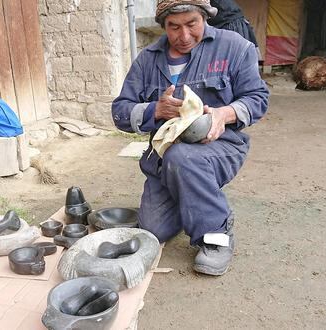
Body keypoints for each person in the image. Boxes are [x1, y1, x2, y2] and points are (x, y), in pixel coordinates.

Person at [111, 0, 269, 275]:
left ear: (205, 17)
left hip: (221, 147)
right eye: (174, 27)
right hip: (163, 158)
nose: (184, 36)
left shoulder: (233, 47)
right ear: (163, 25)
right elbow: (120, 111)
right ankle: (192, 200)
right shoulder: (148, 59)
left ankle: (216, 231)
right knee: (153, 230)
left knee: (182, 157)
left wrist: (225, 114)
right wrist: (154, 109)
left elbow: (257, 99)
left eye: (191, 24)